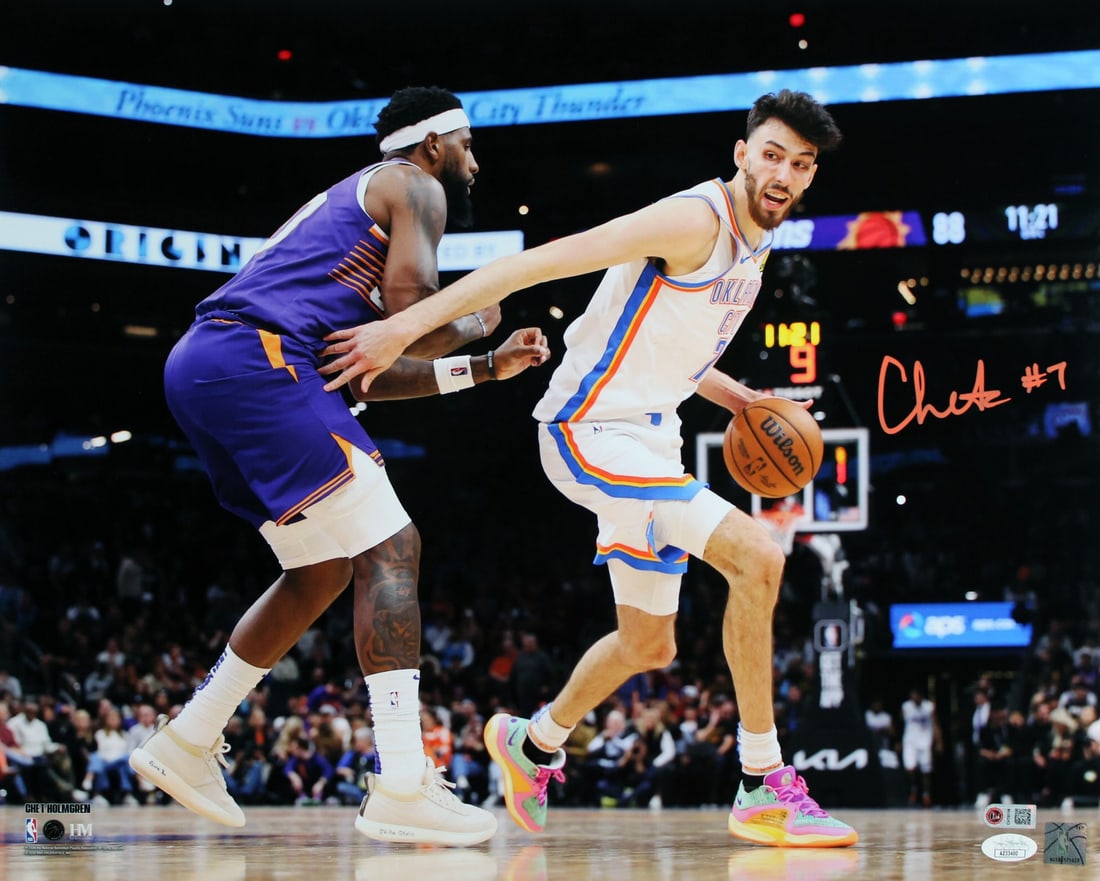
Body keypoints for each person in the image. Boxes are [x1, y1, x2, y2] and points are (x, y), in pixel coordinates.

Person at [319, 89, 856, 847]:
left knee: (649, 645)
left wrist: (741, 398)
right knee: (759, 555)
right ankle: (763, 782)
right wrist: (398, 330)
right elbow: (535, 264)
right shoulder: (694, 220)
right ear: (742, 155)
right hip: (589, 430)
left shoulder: (757, 241)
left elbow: (675, 349)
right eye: (772, 155)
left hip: (653, 437)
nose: (783, 174)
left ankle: (533, 742)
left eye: (799, 164)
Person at [129, 85, 550, 847]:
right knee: (393, 546)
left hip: (212, 367)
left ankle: (188, 738)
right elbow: (414, 315)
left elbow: (369, 374)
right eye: (467, 146)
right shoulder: (412, 184)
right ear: (433, 144)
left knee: (318, 569)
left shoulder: (351, 229)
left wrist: (485, 366)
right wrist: (474, 316)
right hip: (256, 358)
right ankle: (401, 782)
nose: (474, 163)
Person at [901, 687, 941, 807]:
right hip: (910, 742)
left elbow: (935, 723)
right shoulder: (906, 707)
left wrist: (939, 740)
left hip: (925, 742)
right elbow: (902, 723)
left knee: (926, 770)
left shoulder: (929, 706)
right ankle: (913, 788)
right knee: (910, 768)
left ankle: (926, 793)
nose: (914, 697)